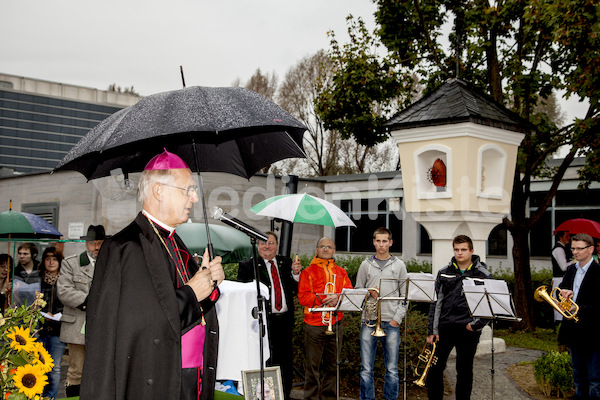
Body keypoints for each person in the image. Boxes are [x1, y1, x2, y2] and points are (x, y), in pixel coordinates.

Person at [80, 149, 224, 400]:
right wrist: (192, 293)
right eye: (188, 189)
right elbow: (141, 324)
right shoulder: (125, 248)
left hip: (189, 374)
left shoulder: (176, 243)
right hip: (154, 377)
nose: (195, 198)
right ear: (159, 191)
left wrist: (209, 282)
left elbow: (190, 303)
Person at [426, 234, 493, 400]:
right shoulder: (444, 272)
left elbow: (490, 305)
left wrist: (476, 325)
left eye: (463, 250)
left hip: (468, 330)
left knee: (464, 371)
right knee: (434, 369)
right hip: (444, 329)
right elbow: (436, 303)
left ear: (472, 251)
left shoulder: (483, 274)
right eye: (456, 249)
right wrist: (432, 330)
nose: (459, 253)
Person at [237, 231, 302, 400]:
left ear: (277, 245)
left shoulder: (286, 263)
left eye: (271, 243)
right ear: (257, 246)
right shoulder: (248, 266)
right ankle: (265, 396)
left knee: (285, 362)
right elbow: (242, 296)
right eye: (263, 243)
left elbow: (296, 289)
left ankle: (284, 395)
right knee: (265, 360)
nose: (267, 246)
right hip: (262, 323)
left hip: (285, 322)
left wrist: (296, 274)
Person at [355, 227, 407, 400]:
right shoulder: (365, 265)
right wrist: (368, 292)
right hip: (369, 321)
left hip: (391, 322)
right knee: (366, 369)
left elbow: (405, 296)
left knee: (392, 369)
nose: (381, 244)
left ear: (391, 243)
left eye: (385, 241)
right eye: (378, 241)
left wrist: (396, 320)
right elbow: (357, 291)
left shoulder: (399, 265)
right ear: (373, 242)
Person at [298, 237, 353, 400]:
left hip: (335, 323)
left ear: (334, 251)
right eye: (322, 246)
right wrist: (323, 298)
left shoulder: (342, 272)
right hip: (314, 325)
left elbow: (349, 293)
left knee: (332, 366)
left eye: (329, 247)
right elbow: (303, 297)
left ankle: (329, 397)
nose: (326, 249)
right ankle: (311, 397)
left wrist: (338, 299)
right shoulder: (307, 272)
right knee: (312, 367)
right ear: (317, 250)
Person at [57, 225, 106, 397]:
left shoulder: (111, 264)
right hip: (78, 325)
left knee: (101, 370)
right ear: (86, 244)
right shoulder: (71, 263)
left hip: (103, 326)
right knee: (76, 370)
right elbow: (63, 291)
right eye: (92, 243)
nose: (96, 247)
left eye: (100, 243)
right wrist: (90, 302)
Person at [558, 233, 600, 399]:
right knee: (578, 377)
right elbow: (560, 292)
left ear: (590, 249)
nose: (575, 252)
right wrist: (563, 294)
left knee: (595, 380)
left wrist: (578, 308)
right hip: (574, 332)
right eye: (573, 248)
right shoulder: (571, 269)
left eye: (579, 248)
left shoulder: (598, 272)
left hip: (594, 333)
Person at [39, 246, 66, 400]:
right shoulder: (38, 278)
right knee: (39, 366)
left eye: (54, 259)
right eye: (48, 259)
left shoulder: (64, 279)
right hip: (40, 328)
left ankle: (51, 397)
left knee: (55, 368)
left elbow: (67, 302)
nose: (51, 262)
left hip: (58, 328)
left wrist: (57, 313)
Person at [552, 231, 575, 321]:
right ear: (560, 237)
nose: (569, 238)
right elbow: (563, 267)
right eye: (567, 236)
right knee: (560, 302)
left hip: (563, 279)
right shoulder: (558, 249)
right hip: (559, 279)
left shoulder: (564, 248)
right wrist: (575, 261)